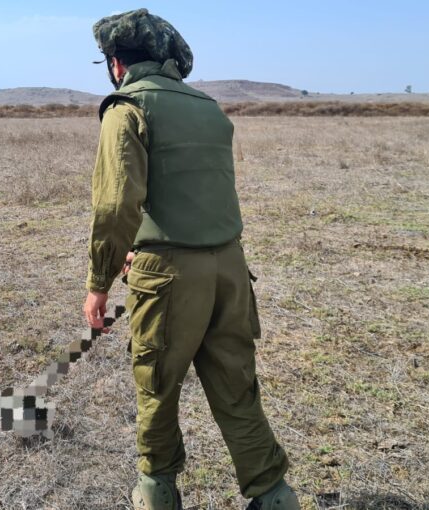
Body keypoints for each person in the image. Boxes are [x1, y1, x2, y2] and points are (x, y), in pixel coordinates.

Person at [81, 9, 300, 510]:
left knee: (156, 385)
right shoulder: (208, 106)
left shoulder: (127, 108)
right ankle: (274, 495)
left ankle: (157, 492)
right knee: (237, 388)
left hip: (167, 277)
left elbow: (117, 204)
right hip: (230, 271)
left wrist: (99, 282)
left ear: (117, 64)